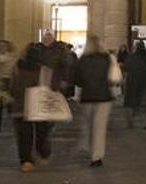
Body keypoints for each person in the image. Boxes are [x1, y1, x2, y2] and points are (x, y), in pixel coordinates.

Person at [9, 40, 64, 171]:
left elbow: (12, 87)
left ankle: (26, 161)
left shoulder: (17, 69)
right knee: (42, 132)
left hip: (21, 107)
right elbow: (53, 88)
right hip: (40, 107)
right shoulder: (45, 70)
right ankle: (42, 153)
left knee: (24, 135)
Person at [73, 38, 115, 166]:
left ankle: (87, 147)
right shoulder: (107, 59)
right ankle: (96, 157)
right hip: (104, 97)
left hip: (88, 97)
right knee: (100, 127)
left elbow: (78, 80)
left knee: (89, 125)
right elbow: (113, 77)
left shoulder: (82, 60)